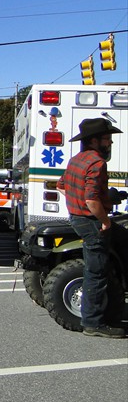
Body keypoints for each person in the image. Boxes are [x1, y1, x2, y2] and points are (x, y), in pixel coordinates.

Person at [57, 118, 125, 339]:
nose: (110, 143)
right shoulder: (96, 163)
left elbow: (61, 186)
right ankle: (93, 323)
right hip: (91, 220)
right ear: (94, 141)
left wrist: (75, 203)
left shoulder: (76, 160)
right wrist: (104, 221)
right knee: (96, 272)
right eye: (107, 139)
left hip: (79, 218)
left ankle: (112, 309)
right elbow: (92, 201)